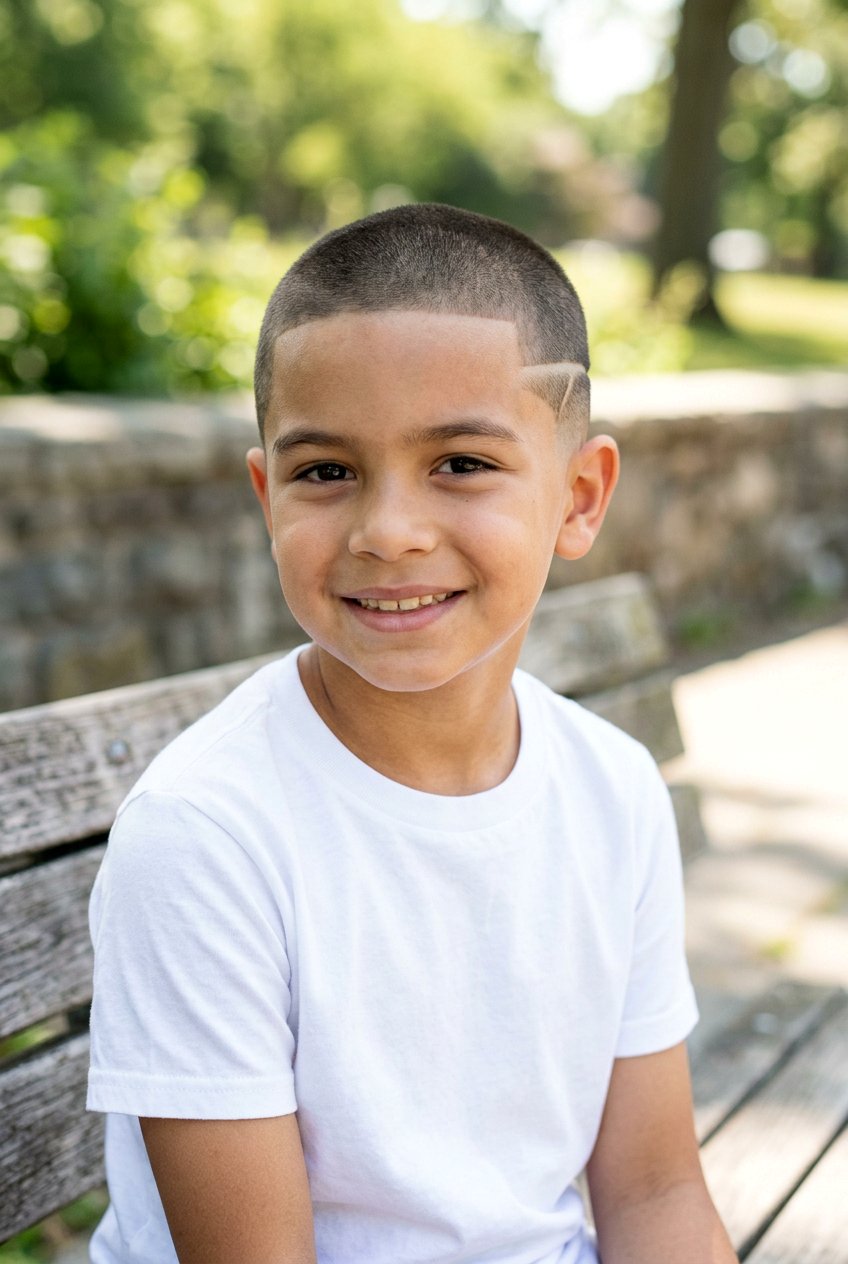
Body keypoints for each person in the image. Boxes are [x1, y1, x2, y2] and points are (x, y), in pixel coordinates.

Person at [86, 203, 738, 1264]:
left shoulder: (609, 788)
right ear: (266, 497)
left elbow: (656, 1193)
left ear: (578, 497)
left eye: (460, 464)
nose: (388, 530)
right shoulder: (206, 835)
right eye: (325, 472)